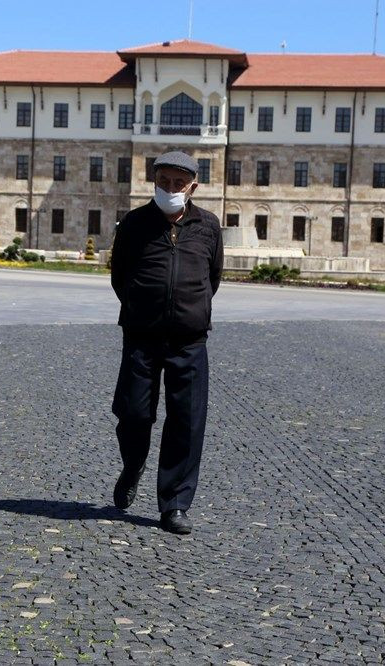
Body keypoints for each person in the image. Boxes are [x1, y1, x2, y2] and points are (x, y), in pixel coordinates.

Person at [110, 151, 223, 535]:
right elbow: (119, 277)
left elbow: (214, 276)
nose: (170, 189)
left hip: (189, 339)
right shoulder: (134, 224)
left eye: (179, 183)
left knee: (187, 422)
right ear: (153, 181)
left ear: (193, 186)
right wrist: (143, 305)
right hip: (142, 335)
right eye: (164, 182)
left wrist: (192, 308)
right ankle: (132, 465)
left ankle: (174, 504)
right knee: (134, 413)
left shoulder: (208, 226)